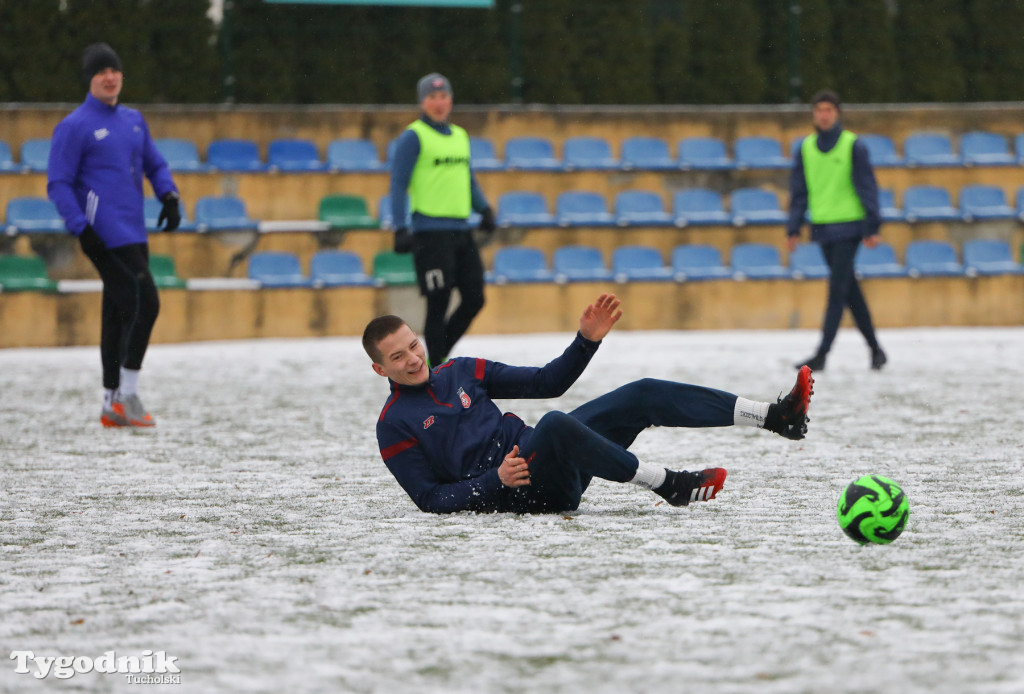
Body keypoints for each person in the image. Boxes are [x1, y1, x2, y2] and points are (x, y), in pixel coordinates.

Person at [364, 293, 814, 514]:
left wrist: (585, 342)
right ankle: (667, 483)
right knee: (557, 425)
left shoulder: (460, 370)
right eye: (397, 356)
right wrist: (493, 480)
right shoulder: (393, 425)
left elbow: (547, 382)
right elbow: (428, 498)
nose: (412, 359)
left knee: (643, 392)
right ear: (380, 369)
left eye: (413, 345)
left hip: (552, 454)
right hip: (527, 491)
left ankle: (776, 416)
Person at [47, 43, 182, 428]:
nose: (109, 77)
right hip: (102, 233)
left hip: (134, 229)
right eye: (100, 71)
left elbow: (155, 164)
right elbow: (58, 183)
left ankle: (111, 401)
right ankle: (127, 393)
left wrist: (168, 195)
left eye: (114, 70)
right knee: (144, 301)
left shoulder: (134, 120)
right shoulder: (74, 126)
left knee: (118, 307)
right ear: (90, 79)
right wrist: (80, 228)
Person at [388, 72, 496, 367]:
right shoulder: (414, 136)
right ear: (423, 101)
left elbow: (468, 178)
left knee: (475, 298)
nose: (438, 102)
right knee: (439, 301)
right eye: (432, 97)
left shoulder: (460, 135)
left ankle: (435, 361)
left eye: (443, 96)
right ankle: (437, 367)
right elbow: (398, 183)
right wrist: (400, 227)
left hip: (461, 231)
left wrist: (484, 209)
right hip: (430, 233)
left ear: (450, 100)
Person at [787, 89, 887, 372]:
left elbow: (868, 186)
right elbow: (799, 191)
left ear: (837, 113)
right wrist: (793, 227)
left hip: (850, 227)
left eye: (829, 109)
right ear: (813, 114)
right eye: (819, 109)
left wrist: (872, 225)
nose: (824, 114)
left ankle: (822, 354)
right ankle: (876, 350)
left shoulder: (853, 145)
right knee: (849, 290)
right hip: (822, 228)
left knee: (836, 290)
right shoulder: (805, 148)